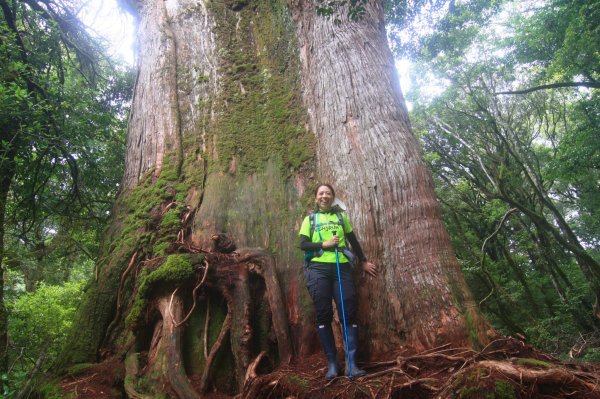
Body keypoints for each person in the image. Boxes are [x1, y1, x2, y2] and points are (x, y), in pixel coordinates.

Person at [299, 184, 377, 380]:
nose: (324, 196)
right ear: (316, 197)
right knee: (323, 313)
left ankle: (352, 364)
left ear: (332, 197)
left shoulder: (341, 218)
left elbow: (353, 240)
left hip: (342, 267)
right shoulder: (310, 219)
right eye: (321, 193)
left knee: (348, 311)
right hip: (317, 269)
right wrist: (323, 244)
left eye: (328, 193)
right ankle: (333, 364)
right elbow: (303, 244)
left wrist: (363, 261)